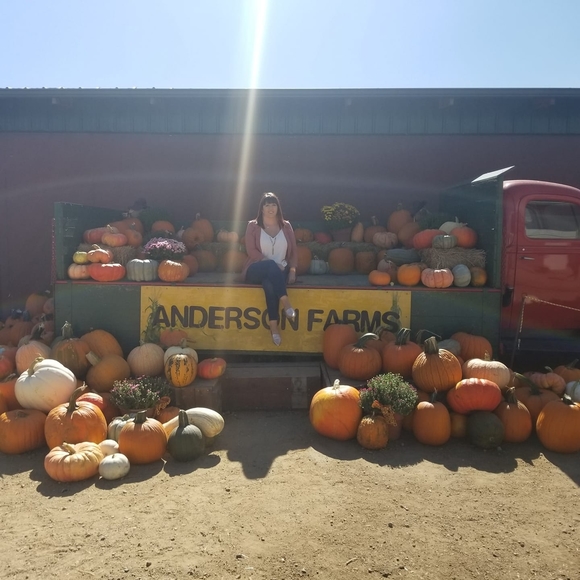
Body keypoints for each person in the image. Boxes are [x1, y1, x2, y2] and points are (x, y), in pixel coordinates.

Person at [241, 192, 298, 346]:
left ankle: (274, 328)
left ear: (278, 208)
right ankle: (286, 303)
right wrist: (272, 263)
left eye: (273, 205)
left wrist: (292, 270)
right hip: (256, 268)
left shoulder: (286, 226)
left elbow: (293, 251)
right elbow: (251, 251)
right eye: (267, 205)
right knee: (271, 266)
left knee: (269, 285)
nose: (270, 208)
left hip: (280, 270)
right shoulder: (253, 226)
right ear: (262, 209)